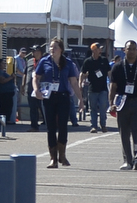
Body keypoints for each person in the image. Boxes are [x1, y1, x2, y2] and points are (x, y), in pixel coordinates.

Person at [32, 39, 82, 168]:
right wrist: (36, 90)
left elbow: (74, 83)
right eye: (50, 47)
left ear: (61, 49)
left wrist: (81, 99)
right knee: (51, 128)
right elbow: (36, 78)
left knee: (63, 126)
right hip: (49, 97)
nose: (52, 49)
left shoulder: (68, 63)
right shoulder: (44, 61)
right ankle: (53, 158)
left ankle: (63, 156)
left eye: (54, 47)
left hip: (63, 96)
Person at [115, 42, 137, 170]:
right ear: (124, 50)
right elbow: (113, 86)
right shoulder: (118, 67)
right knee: (124, 132)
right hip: (122, 102)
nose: (131, 51)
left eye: (134, 49)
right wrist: (111, 103)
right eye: (129, 49)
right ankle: (127, 160)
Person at [82, 42, 111, 134]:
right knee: (92, 108)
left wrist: (112, 83)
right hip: (92, 88)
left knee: (103, 107)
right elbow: (83, 73)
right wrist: (81, 82)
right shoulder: (88, 61)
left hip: (103, 88)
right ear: (94, 50)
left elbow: (109, 73)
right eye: (99, 49)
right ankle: (94, 126)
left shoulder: (104, 60)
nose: (100, 50)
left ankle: (103, 125)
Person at [0, 49, 17, 129]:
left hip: (9, 92)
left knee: (9, 106)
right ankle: (4, 120)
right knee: (5, 107)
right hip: (4, 93)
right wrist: (11, 77)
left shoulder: (3, 72)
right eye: (3, 63)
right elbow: (2, 80)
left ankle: (7, 119)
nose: (5, 64)